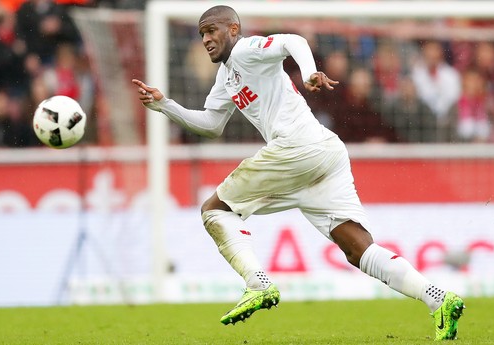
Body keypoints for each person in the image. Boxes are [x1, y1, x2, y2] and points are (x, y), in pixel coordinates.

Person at [132, 5, 464, 340]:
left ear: (233, 29)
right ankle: (438, 299)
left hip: (295, 148)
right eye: (202, 34)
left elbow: (292, 41)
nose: (206, 39)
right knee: (356, 248)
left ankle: (257, 283)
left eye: (212, 31)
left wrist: (308, 72)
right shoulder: (226, 77)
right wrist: (165, 105)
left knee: (214, 210)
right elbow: (212, 124)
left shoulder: (248, 50)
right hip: (323, 152)